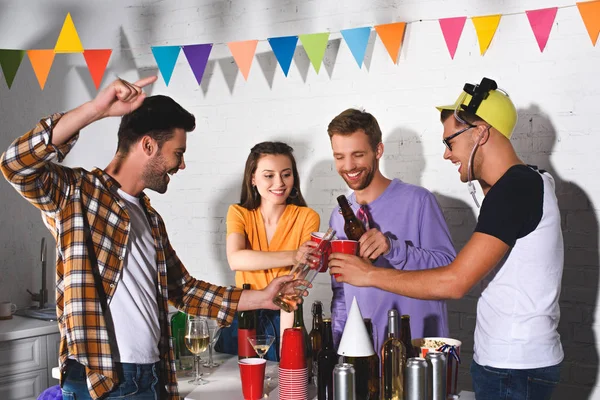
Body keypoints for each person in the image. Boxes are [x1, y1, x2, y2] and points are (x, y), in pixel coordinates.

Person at [0, 76, 303, 400]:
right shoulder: (79, 194)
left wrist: (263, 297)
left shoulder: (150, 218)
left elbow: (184, 290)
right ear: (148, 146)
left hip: (154, 377)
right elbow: (16, 164)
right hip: (104, 379)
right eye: (178, 153)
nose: (182, 164)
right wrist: (96, 110)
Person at [329, 78, 564, 400]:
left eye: (450, 143)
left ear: (481, 133)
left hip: (514, 364)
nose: (446, 154)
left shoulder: (516, 188)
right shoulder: (527, 182)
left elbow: (454, 281)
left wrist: (369, 274)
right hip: (510, 359)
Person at [326, 108, 456, 351]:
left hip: (417, 349)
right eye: (339, 157)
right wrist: (337, 345)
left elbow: (449, 269)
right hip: (364, 351)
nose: (348, 166)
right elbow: (342, 294)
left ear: (378, 151)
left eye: (357, 154)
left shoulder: (419, 201)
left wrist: (393, 249)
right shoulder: (338, 216)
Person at [222, 141, 320, 360]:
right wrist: (295, 254)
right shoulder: (239, 213)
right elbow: (236, 259)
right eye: (269, 175)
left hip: (283, 316)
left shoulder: (307, 218)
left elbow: (291, 289)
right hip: (243, 316)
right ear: (252, 178)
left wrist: (287, 350)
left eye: (286, 174)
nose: (279, 183)